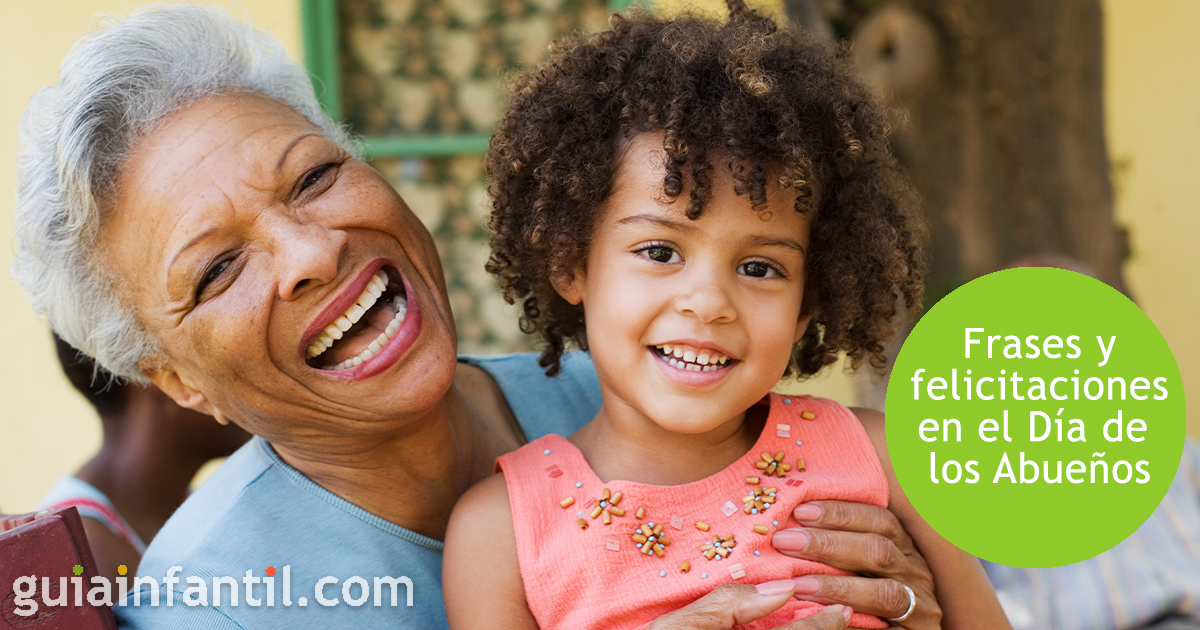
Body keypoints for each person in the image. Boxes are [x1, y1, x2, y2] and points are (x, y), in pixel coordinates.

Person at [12, 4, 941, 628]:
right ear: (179, 381)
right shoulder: (220, 603)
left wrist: (907, 601)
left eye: (315, 176)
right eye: (218, 269)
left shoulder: (630, 396)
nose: (309, 253)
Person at [443, 3, 1009, 629]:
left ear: (806, 305)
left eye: (760, 268)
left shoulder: (885, 457)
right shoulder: (500, 536)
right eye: (659, 252)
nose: (709, 302)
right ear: (570, 263)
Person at [36, 335, 249, 582]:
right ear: (162, 377)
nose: (245, 384)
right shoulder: (79, 553)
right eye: (214, 360)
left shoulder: (189, 510)